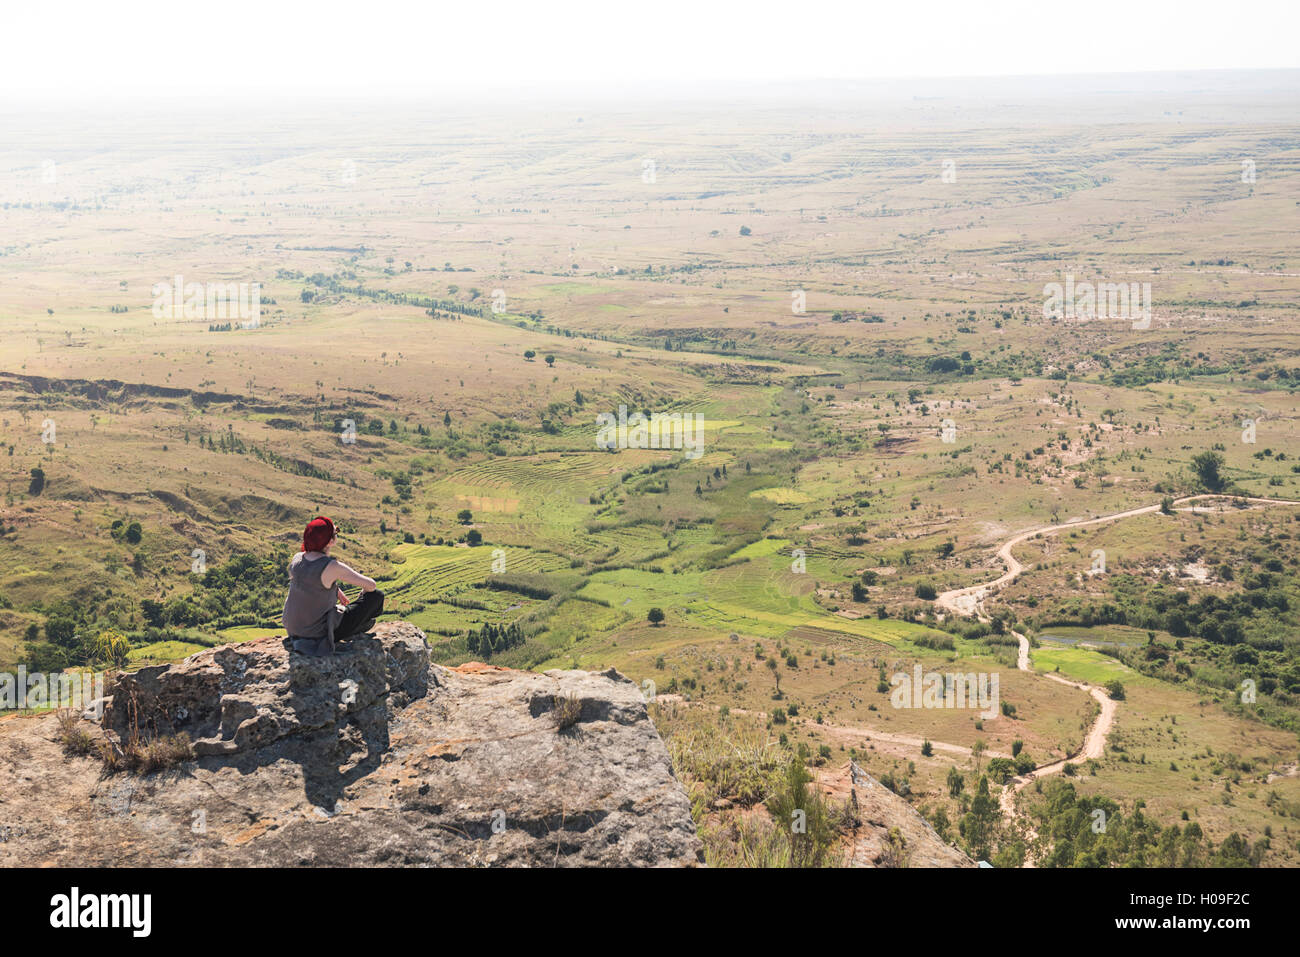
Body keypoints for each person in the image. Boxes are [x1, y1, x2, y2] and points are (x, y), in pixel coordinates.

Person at [282, 516, 384, 656]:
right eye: (336, 533)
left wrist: (337, 591)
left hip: (293, 628)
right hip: (318, 633)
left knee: (349, 609)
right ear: (330, 541)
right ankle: (360, 625)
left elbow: (311, 582)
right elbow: (371, 585)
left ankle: (360, 624)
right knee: (376, 596)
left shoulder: (297, 558)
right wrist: (363, 591)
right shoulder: (331, 566)